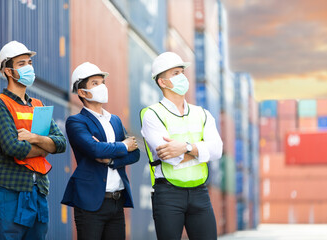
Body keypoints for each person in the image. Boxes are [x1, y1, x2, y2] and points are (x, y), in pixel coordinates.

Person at [0, 40, 67, 240]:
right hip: (8, 192)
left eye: (29, 62)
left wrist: (35, 138)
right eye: (21, 64)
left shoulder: (38, 105)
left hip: (38, 191)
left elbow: (61, 143)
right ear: (8, 71)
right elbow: (14, 148)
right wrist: (44, 147)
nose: (29, 67)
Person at [140, 52, 223, 240]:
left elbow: (217, 150)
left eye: (182, 72)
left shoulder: (202, 113)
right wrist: (201, 151)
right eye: (175, 73)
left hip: (200, 192)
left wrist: (185, 148)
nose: (182, 77)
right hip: (168, 194)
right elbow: (169, 156)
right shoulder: (152, 114)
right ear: (162, 82)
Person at [61, 62, 140, 240]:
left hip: (116, 201)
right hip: (90, 202)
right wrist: (123, 146)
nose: (102, 87)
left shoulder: (116, 120)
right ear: (82, 92)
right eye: (95, 83)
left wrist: (111, 159)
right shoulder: (76, 122)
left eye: (102, 82)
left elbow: (135, 154)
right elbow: (95, 150)